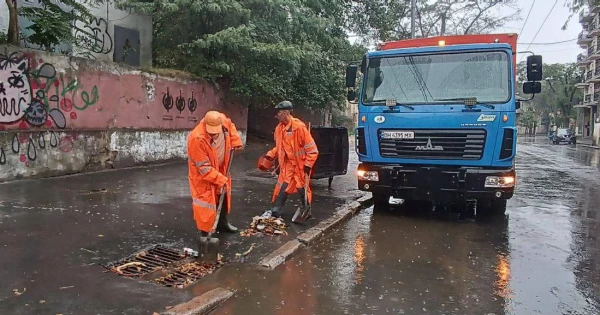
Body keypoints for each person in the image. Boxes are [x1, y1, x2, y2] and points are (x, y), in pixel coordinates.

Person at [187, 110, 243, 237]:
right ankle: (206, 232)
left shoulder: (223, 121)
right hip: (202, 175)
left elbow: (231, 126)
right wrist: (221, 180)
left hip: (222, 166)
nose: (213, 135)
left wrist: (235, 140)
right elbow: (205, 169)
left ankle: (223, 223)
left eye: (216, 133)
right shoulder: (196, 138)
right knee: (205, 203)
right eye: (210, 133)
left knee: (223, 195)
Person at [261, 101, 319, 219]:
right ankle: (276, 211)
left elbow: (312, 150)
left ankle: (306, 209)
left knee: (301, 186)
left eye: (278, 113)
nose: (276, 116)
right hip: (287, 165)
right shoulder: (279, 129)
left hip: (300, 164)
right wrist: (270, 155)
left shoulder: (299, 128)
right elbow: (279, 147)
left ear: (286, 113)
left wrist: (308, 164)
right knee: (283, 186)